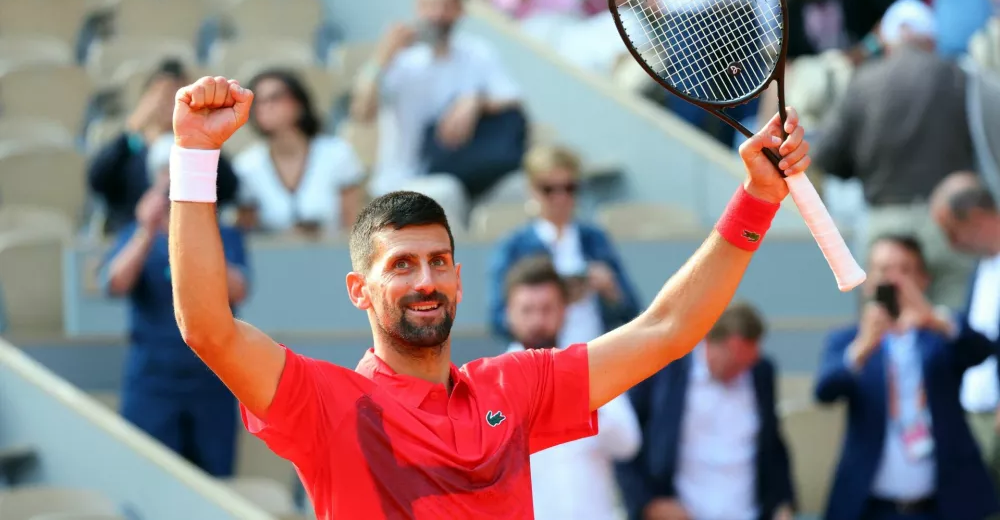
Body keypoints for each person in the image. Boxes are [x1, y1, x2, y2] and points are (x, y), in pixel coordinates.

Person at [165, 74, 810, 519]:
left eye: (439, 261)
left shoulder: (514, 386)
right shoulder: (328, 405)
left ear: (460, 278)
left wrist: (756, 198)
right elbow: (207, 328)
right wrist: (195, 156)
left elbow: (666, 330)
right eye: (402, 266)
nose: (425, 280)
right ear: (360, 290)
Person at [814, 234, 999, 520]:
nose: (894, 281)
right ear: (867, 280)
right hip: (872, 506)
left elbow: (981, 349)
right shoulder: (849, 340)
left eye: (904, 270)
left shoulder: (938, 335)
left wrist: (934, 319)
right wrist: (862, 348)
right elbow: (825, 390)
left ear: (923, 279)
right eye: (884, 270)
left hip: (943, 506)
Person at [812, 0, 976, 309]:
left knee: (882, 325)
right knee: (951, 328)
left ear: (886, 40)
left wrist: (864, 167)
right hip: (949, 223)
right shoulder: (959, 77)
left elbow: (828, 156)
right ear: (931, 39)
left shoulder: (864, 81)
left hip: (884, 223)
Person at [102, 139, 248, 478]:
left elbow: (237, 288)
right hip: (153, 381)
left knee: (214, 481)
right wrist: (147, 230)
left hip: (212, 381)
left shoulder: (224, 233)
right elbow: (115, 283)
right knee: (147, 480)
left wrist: (195, 228)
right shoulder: (137, 233)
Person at [350, 0, 523, 224]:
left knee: (521, 186)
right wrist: (381, 59)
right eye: (430, 4)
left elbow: (512, 99)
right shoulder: (399, 60)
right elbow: (362, 112)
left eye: (446, 4)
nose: (438, 14)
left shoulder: (476, 53)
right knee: (446, 191)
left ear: (460, 9)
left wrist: (474, 101)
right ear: (416, 7)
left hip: (470, 172)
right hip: (406, 181)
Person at [616, 302, 796, 520]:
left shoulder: (761, 373)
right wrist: (648, 502)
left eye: (746, 364)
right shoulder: (664, 368)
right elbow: (624, 439)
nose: (740, 371)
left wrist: (783, 502)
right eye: (733, 361)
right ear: (709, 341)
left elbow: (772, 444)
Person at [503, 255, 641, 520]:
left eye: (547, 309)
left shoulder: (592, 367)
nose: (537, 321)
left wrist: (577, 401)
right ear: (509, 313)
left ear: (564, 310)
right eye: (527, 310)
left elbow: (628, 443)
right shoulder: (491, 383)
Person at [489, 145, 640, 343]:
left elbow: (630, 308)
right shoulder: (514, 246)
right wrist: (536, 310)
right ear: (532, 190)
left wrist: (609, 289)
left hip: (594, 352)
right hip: (539, 358)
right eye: (549, 189)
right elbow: (498, 317)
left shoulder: (595, 239)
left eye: (569, 188)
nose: (560, 198)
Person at [87, 59, 239, 235]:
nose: (172, 102)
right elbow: (97, 180)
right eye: (163, 94)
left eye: (181, 94)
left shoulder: (198, 147)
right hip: (132, 240)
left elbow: (228, 188)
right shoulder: (129, 148)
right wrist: (132, 128)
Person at [930, 172, 1000, 490]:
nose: (949, 243)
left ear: (973, 217)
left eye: (950, 230)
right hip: (976, 419)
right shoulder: (981, 267)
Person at [233, 69, 365, 237]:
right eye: (258, 102)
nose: (265, 107)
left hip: (334, 256)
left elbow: (354, 227)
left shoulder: (337, 153)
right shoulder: (247, 165)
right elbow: (248, 234)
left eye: (275, 98)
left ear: (298, 103)